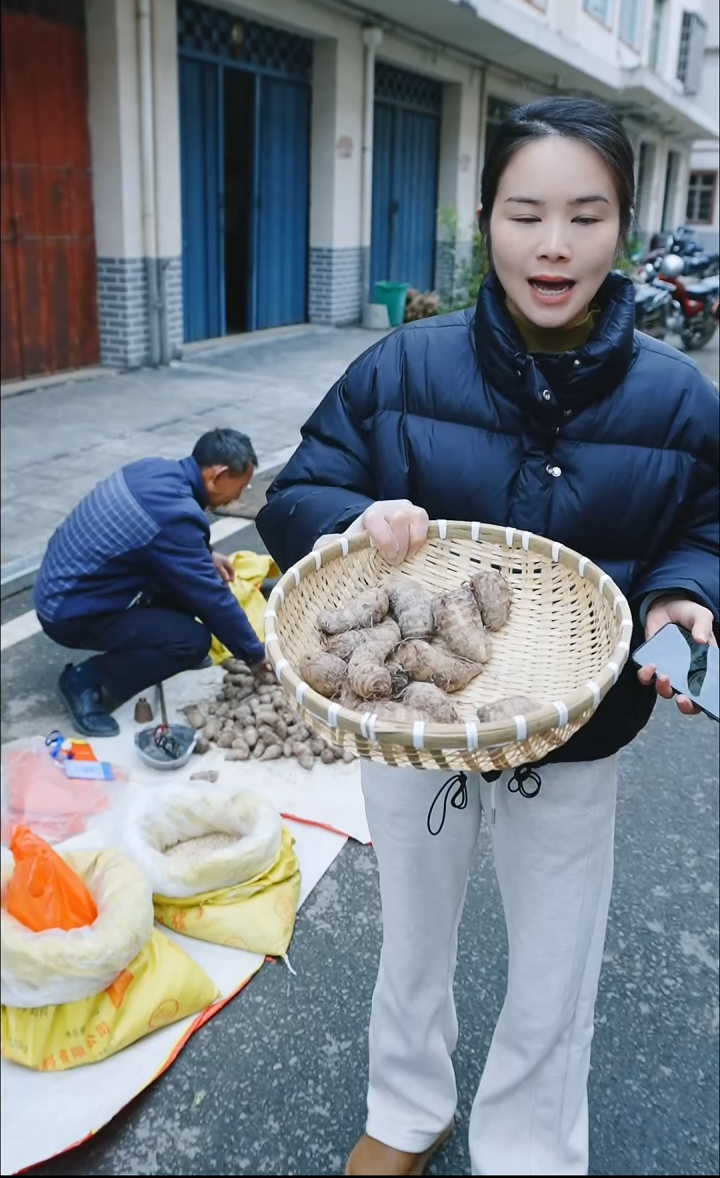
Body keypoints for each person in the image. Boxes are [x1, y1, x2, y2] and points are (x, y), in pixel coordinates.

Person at [256, 97, 719, 1177]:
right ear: (486, 220)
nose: (554, 244)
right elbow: (304, 486)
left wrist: (683, 595)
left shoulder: (677, 395)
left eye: (586, 215)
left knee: (559, 958)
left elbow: (703, 523)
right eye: (526, 213)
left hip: (581, 721)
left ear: (624, 229)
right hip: (417, 733)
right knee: (413, 937)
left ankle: (530, 1147)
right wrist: (350, 523)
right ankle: (407, 1109)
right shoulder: (403, 367)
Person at [35, 428, 267, 737]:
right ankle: (85, 680)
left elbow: (155, 537)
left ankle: (151, 645)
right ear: (217, 474)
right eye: (240, 486)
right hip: (67, 611)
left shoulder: (154, 470)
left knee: (189, 584)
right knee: (191, 641)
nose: (240, 495)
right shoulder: (174, 515)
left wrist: (205, 555)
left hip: (66, 586)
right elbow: (212, 599)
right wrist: (255, 654)